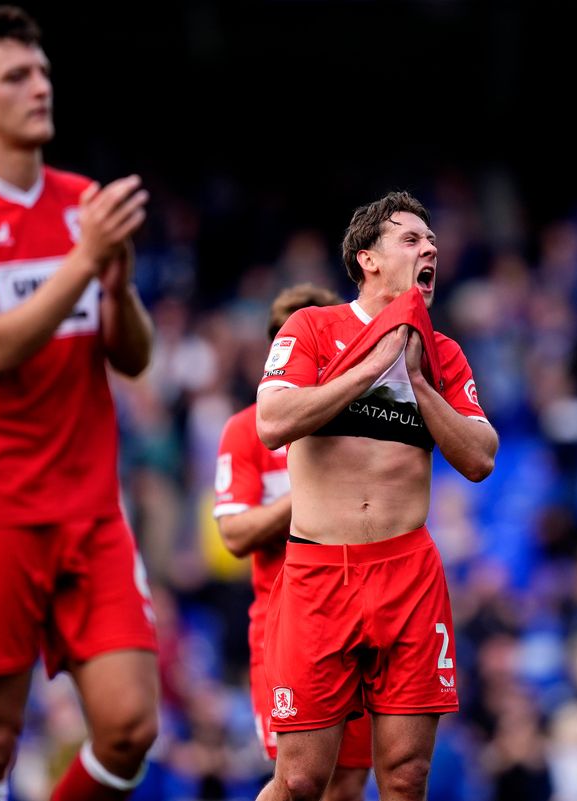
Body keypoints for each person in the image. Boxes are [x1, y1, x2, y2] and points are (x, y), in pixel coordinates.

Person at [0, 7, 159, 801]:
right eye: (16, 75)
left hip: (89, 510)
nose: (39, 86)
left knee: (130, 728)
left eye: (42, 71)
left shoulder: (81, 200)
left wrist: (117, 289)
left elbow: (132, 356)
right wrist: (84, 260)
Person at [254, 191, 499, 801]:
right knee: (303, 778)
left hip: (406, 573)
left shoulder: (441, 354)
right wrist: (374, 364)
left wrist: (415, 378)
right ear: (367, 259)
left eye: (432, 241)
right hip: (319, 572)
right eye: (411, 240)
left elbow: (480, 457)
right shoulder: (313, 328)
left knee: (406, 776)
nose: (430, 249)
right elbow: (273, 421)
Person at [215, 283, 372, 801]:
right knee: (299, 779)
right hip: (282, 624)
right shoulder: (246, 431)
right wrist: (306, 495)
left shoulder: (362, 424)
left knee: (348, 781)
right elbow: (234, 534)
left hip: (356, 621)